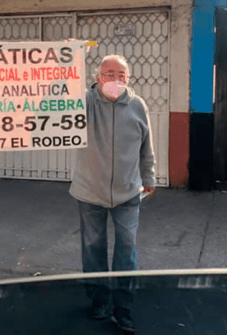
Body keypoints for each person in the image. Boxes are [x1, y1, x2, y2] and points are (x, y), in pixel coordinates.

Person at [69, 54, 156, 333]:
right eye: (109, 74)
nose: (115, 79)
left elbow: (146, 146)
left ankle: (123, 307)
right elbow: (55, 99)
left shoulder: (138, 105)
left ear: (129, 78)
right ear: (97, 77)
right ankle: (98, 301)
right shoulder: (82, 103)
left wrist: (149, 176)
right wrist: (65, 62)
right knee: (93, 250)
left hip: (128, 193)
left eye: (121, 75)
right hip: (89, 191)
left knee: (126, 251)